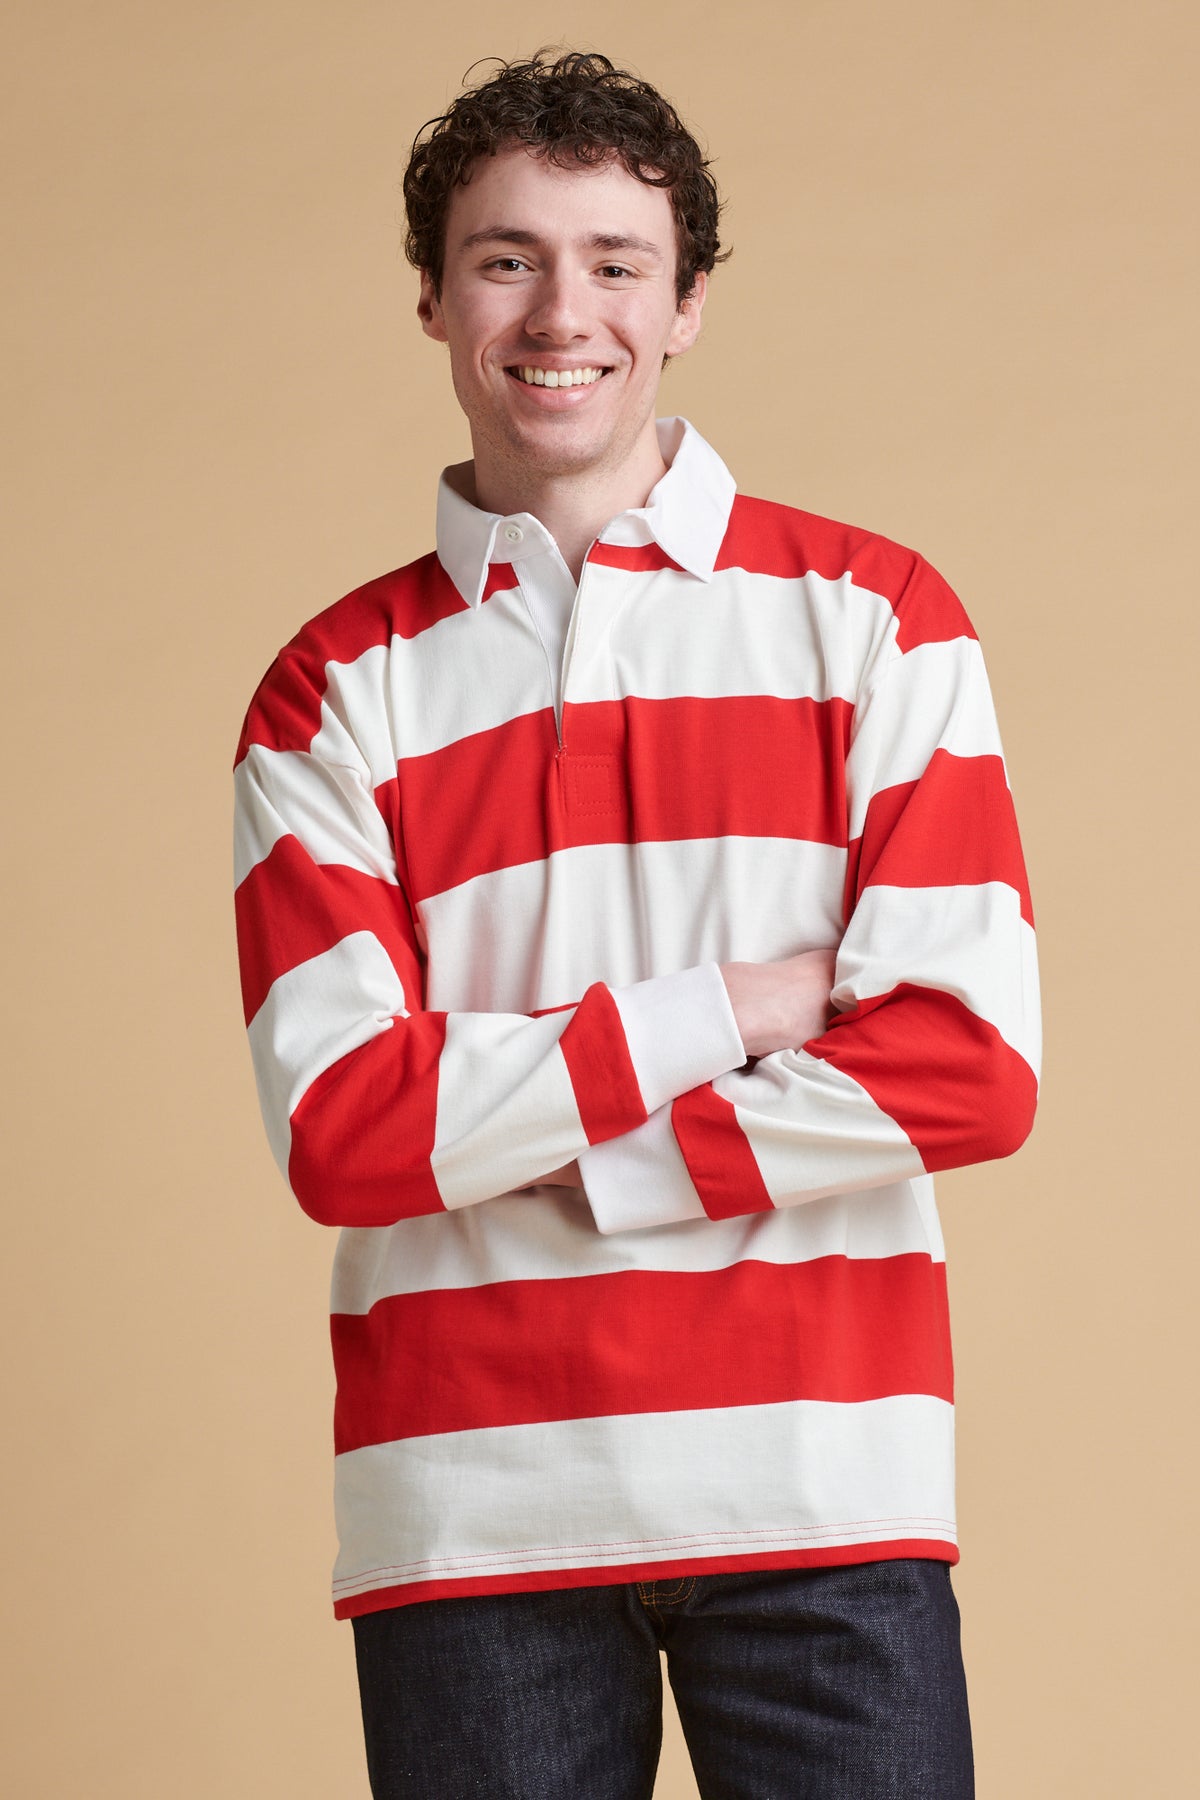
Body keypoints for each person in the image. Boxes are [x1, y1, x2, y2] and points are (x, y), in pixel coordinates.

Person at [233, 49, 1040, 1799]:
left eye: (615, 261)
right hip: (471, 1502)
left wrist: (562, 1157)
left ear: (686, 306)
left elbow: (971, 1066)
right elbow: (345, 1129)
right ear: (433, 296)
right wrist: (742, 1003)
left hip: (824, 1486)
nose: (561, 313)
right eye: (507, 258)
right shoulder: (331, 692)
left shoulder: (878, 619)